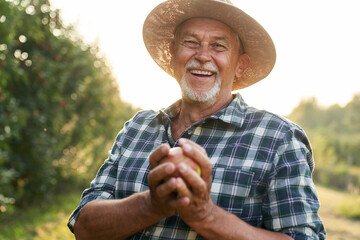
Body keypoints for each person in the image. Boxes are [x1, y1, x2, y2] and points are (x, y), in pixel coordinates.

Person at [68, 0, 326, 239]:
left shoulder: (279, 138)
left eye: (218, 46)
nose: (203, 55)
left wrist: (206, 215)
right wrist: (151, 205)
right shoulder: (137, 127)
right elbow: (85, 226)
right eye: (190, 42)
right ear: (172, 55)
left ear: (240, 65)